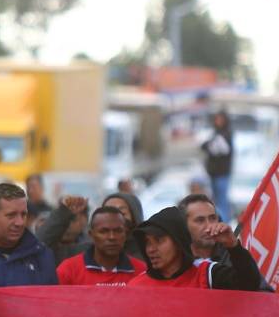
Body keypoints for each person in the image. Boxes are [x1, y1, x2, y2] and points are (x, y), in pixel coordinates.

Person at [127, 207, 260, 290]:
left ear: (178, 241)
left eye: (158, 240)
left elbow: (250, 284)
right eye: (147, 243)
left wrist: (233, 246)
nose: (150, 249)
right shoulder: (136, 287)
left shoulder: (207, 275)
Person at [0, 183, 57, 287]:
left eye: (23, 214)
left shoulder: (41, 255)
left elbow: (51, 300)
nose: (20, 222)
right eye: (11, 215)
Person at [57, 207, 145, 286]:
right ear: (91, 235)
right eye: (104, 231)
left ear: (125, 234)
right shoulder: (68, 271)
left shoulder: (141, 271)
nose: (112, 237)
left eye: (118, 231)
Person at [36, 195, 91, 264]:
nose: (67, 224)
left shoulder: (91, 247)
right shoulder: (49, 245)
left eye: (72, 219)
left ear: (84, 220)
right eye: (62, 219)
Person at [201, 110, 234, 221]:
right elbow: (205, 146)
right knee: (216, 201)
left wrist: (210, 146)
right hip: (213, 173)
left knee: (222, 201)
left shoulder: (225, 135)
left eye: (220, 119)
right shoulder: (216, 133)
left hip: (221, 173)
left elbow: (219, 149)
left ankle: (223, 222)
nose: (218, 121)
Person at [103, 192, 144, 260]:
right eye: (108, 214)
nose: (114, 219)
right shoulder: (95, 252)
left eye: (122, 213)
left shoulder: (148, 251)